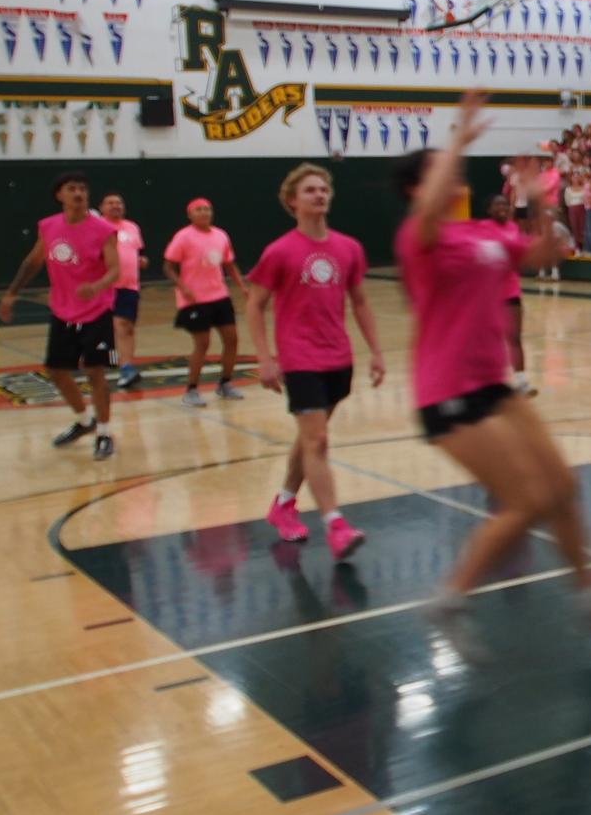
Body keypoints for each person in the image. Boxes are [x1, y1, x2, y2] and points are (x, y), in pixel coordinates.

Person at [400, 94, 591, 660]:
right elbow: (425, 217)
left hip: (493, 382)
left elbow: (546, 254)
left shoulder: (479, 235)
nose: (451, 180)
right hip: (447, 392)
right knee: (524, 501)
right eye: (436, 174)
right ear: (415, 190)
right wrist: (459, 140)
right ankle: (448, 600)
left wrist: (541, 201)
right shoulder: (419, 240)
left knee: (563, 488)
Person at [245, 163, 387, 559]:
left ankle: (283, 505)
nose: (319, 195)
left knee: (310, 439)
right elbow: (254, 305)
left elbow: (359, 302)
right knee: (318, 439)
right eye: (310, 190)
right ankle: (336, 525)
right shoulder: (279, 251)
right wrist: (265, 358)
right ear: (293, 201)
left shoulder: (348, 248)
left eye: (323, 189)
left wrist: (375, 352)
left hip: (338, 358)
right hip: (299, 358)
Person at [0, 172, 120, 460]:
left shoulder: (102, 230)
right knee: (55, 370)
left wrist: (98, 286)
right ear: (60, 196)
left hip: (97, 310)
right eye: (72, 189)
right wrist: (11, 293)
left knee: (95, 371)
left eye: (82, 189)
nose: (78, 193)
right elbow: (32, 261)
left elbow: (116, 270)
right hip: (63, 311)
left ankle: (104, 432)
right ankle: (83, 421)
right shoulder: (48, 227)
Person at [164, 197, 246, 407]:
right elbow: (168, 267)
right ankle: (191, 389)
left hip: (219, 295)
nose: (204, 213)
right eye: (199, 210)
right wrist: (182, 287)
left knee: (232, 339)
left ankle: (225, 383)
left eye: (207, 209)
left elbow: (229, 264)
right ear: (190, 214)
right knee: (203, 343)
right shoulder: (183, 237)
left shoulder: (221, 235)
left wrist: (243, 286)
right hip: (195, 299)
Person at [482, 193, 538, 396]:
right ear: (489, 210)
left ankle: (521, 382)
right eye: (498, 205)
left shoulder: (514, 228)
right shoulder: (483, 230)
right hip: (489, 292)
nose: (503, 208)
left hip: (511, 289)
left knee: (514, 336)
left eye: (505, 204)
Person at [98, 191, 147, 391]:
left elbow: (134, 253)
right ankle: (102, 365)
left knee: (125, 327)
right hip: (104, 286)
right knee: (109, 328)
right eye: (110, 203)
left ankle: (127, 368)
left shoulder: (132, 227)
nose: (115, 206)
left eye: (119, 203)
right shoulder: (96, 228)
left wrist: (140, 261)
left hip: (129, 286)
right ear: (101, 208)